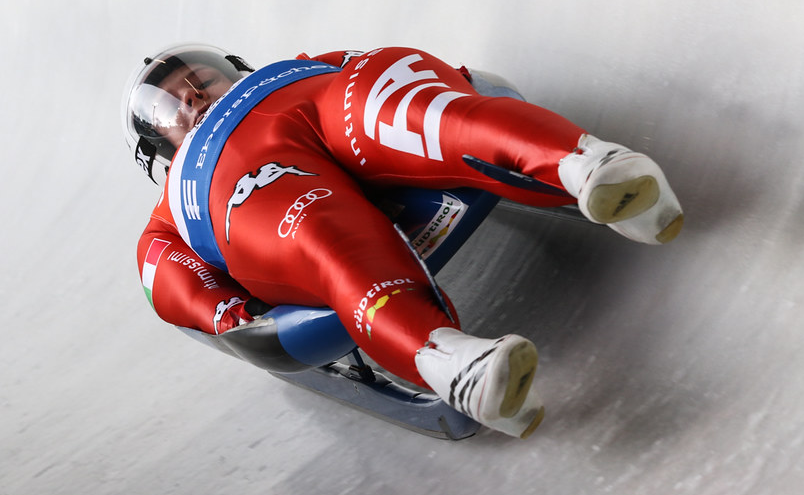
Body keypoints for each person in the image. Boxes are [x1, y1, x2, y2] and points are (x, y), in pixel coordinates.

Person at [124, 43, 683, 439]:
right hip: (242, 183)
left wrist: (452, 83)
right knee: (320, 230)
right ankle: (454, 364)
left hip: (324, 104)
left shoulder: (291, 66)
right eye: (173, 105)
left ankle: (591, 166)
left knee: (415, 112)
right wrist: (233, 316)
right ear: (160, 151)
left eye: (201, 80)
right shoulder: (176, 202)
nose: (192, 95)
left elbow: (383, 65)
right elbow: (165, 274)